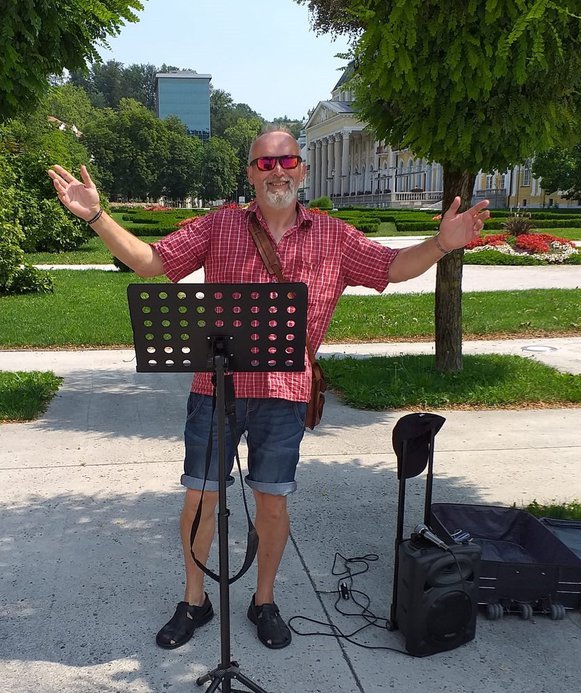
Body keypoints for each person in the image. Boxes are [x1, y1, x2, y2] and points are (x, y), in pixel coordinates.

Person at [48, 128, 489, 651]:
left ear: (303, 169)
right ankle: (194, 600)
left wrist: (441, 244)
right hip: (216, 386)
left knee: (272, 502)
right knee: (202, 497)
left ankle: (264, 600)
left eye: (288, 161)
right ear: (250, 172)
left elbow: (390, 268)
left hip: (285, 390)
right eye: (264, 163)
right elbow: (152, 262)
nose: (276, 170)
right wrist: (97, 216)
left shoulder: (333, 234)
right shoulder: (220, 226)